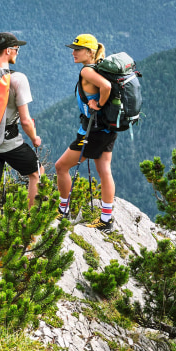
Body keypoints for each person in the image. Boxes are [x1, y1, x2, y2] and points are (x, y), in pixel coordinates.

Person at [0, 32, 43, 218]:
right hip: (8, 142)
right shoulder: (17, 79)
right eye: (16, 49)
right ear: (8, 51)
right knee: (37, 173)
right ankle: (32, 224)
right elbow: (25, 120)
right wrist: (34, 138)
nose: (18, 53)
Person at [55, 33, 116, 231]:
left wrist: (99, 104)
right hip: (107, 127)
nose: (73, 53)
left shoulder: (87, 72)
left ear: (90, 52)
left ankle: (62, 210)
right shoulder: (99, 67)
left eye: (77, 49)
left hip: (93, 131)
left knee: (61, 166)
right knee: (104, 169)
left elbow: (106, 87)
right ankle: (106, 219)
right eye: (73, 49)